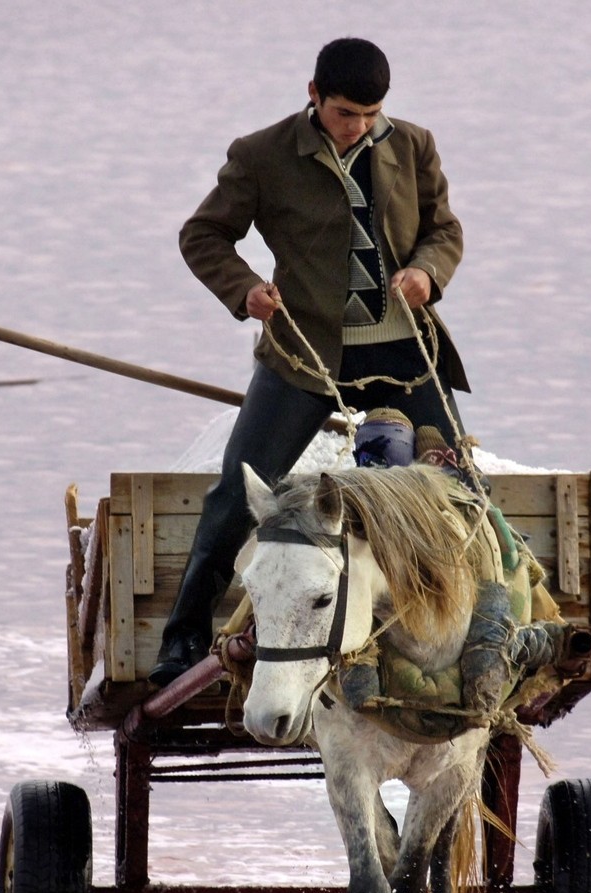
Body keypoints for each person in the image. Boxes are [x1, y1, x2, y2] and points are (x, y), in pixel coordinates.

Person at [150, 37, 471, 686]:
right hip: (304, 353)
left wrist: (426, 274)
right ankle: (182, 642)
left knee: (462, 491)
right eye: (346, 112)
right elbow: (203, 234)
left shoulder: (412, 145)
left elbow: (444, 230)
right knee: (238, 493)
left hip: (403, 352)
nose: (359, 126)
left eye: (371, 114)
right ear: (314, 95)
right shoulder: (262, 155)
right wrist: (244, 289)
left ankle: (469, 637)